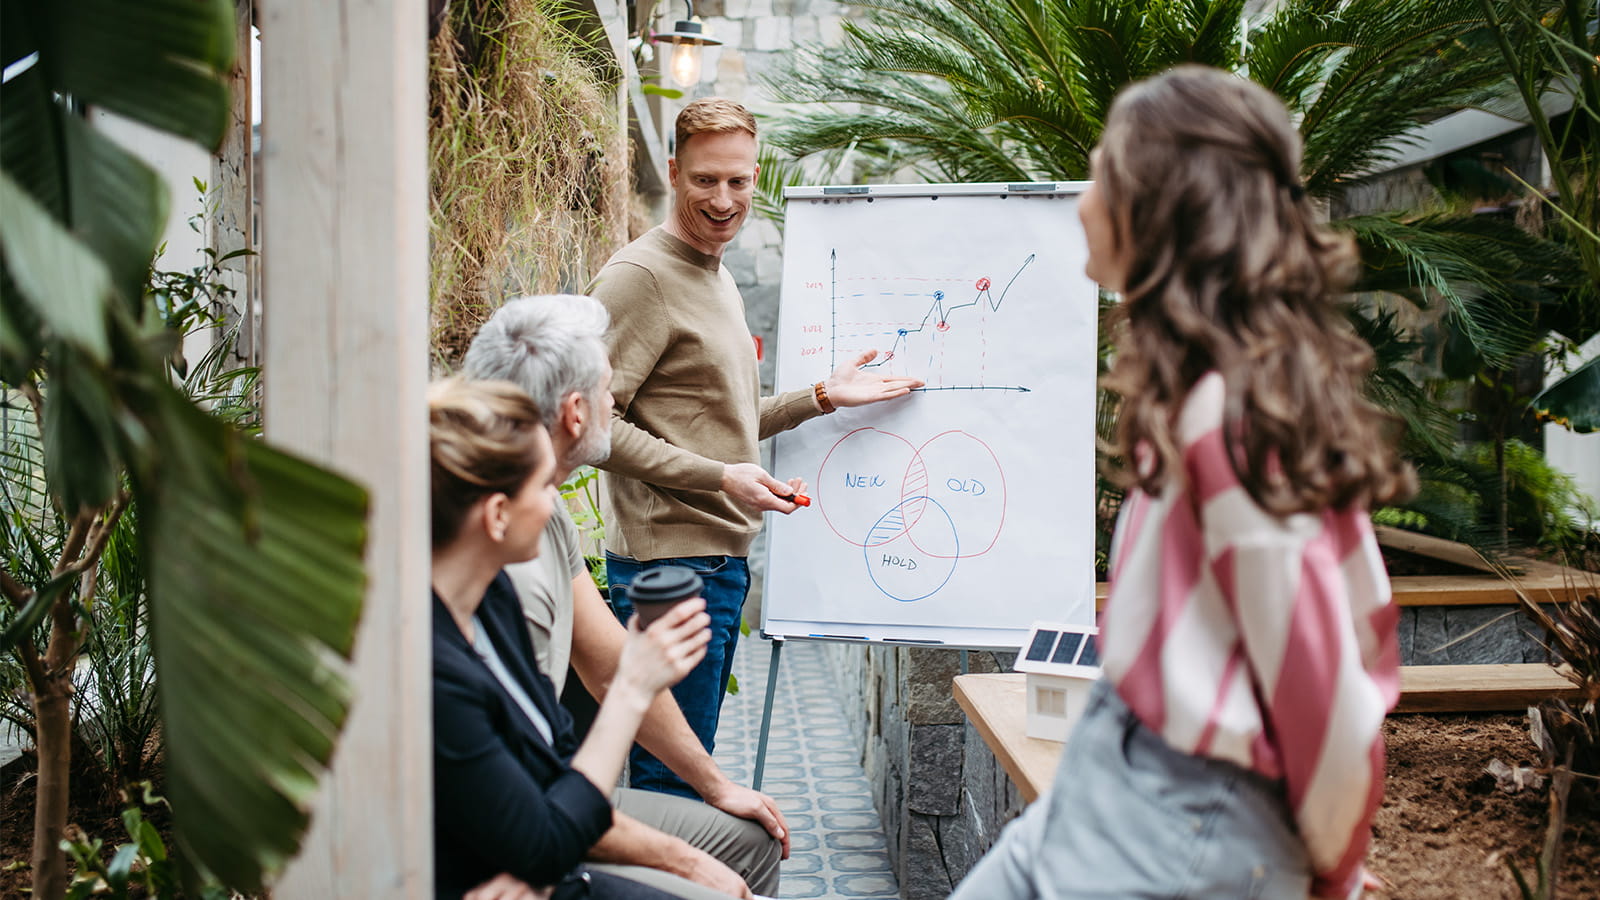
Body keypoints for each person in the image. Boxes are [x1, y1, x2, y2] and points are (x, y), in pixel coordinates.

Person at [949, 66, 1415, 900]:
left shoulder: (1228, 420)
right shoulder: (1210, 394)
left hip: (1178, 818)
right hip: (1118, 773)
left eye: (1100, 171)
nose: (1082, 196)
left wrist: (1333, 866)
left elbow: (1325, 687)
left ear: (1155, 201)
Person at [588, 97, 924, 798]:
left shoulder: (713, 272)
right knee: (671, 785)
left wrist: (823, 396)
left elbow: (720, 419)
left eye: (738, 181)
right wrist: (720, 479)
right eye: (706, 180)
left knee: (681, 771)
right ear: (675, 173)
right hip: (670, 573)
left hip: (709, 565)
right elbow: (592, 426)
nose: (723, 199)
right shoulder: (642, 277)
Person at [462, 294, 786, 897]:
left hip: (560, 794)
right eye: (610, 390)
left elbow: (609, 660)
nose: (620, 404)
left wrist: (715, 784)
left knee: (749, 840)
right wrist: (687, 865)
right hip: (533, 824)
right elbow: (530, 809)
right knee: (712, 883)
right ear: (576, 412)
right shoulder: (500, 566)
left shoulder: (546, 511)